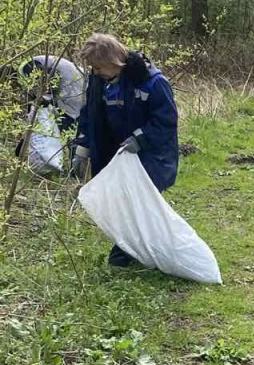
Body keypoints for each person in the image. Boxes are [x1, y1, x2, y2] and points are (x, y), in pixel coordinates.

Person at [74, 33, 179, 268]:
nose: (95, 71)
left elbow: (166, 120)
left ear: (114, 62)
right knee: (119, 202)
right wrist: (82, 146)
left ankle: (131, 253)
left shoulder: (151, 82)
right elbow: (90, 114)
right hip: (115, 153)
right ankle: (137, 249)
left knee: (139, 204)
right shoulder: (98, 81)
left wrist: (140, 138)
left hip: (150, 156)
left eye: (98, 67)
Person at [16, 54, 86, 167]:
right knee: (71, 133)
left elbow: (50, 79)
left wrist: (47, 98)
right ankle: (73, 170)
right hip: (74, 89)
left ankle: (76, 172)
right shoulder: (27, 67)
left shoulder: (27, 68)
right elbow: (33, 104)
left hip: (73, 93)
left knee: (72, 134)